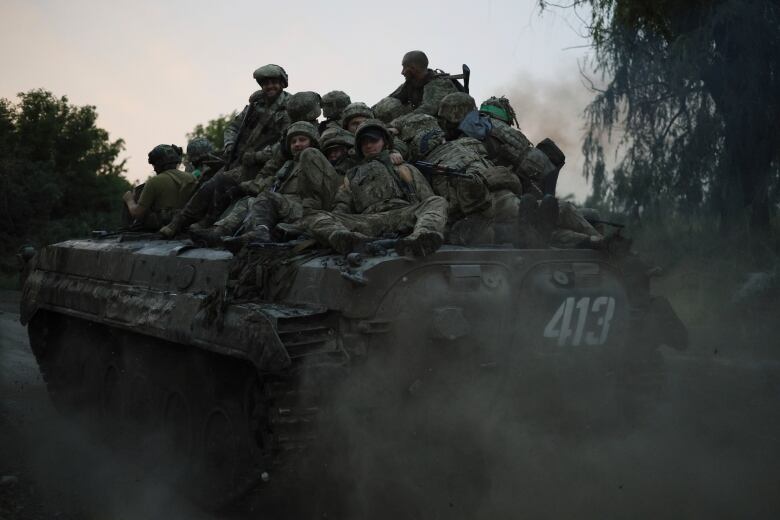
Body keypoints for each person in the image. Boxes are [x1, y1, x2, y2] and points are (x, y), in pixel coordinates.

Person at [159, 64, 291, 238]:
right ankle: (179, 222)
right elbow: (233, 127)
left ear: (282, 83)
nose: (269, 86)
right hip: (239, 159)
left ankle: (208, 221)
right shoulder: (255, 105)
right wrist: (229, 145)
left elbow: (286, 141)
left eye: (274, 82)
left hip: (264, 166)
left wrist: (258, 156)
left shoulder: (289, 108)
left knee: (222, 180)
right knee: (207, 185)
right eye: (265, 83)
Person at [304, 119, 448, 256]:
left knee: (437, 202)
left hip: (403, 214)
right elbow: (342, 206)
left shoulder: (404, 168)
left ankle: (421, 237)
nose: (368, 146)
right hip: (368, 221)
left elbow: (426, 197)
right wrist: (338, 221)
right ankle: (348, 240)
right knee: (314, 216)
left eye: (373, 141)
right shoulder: (352, 175)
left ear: (384, 142)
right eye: (364, 143)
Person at [123, 144, 196, 230]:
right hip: (186, 224)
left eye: (153, 165)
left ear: (157, 164)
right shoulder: (191, 177)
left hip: (162, 226)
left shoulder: (154, 182)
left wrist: (129, 200)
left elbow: (137, 213)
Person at [388, 50, 459, 116]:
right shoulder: (410, 84)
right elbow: (390, 100)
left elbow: (427, 110)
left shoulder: (438, 84)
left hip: (441, 125)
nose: (402, 72)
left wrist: (393, 124)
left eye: (405, 67)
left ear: (414, 68)